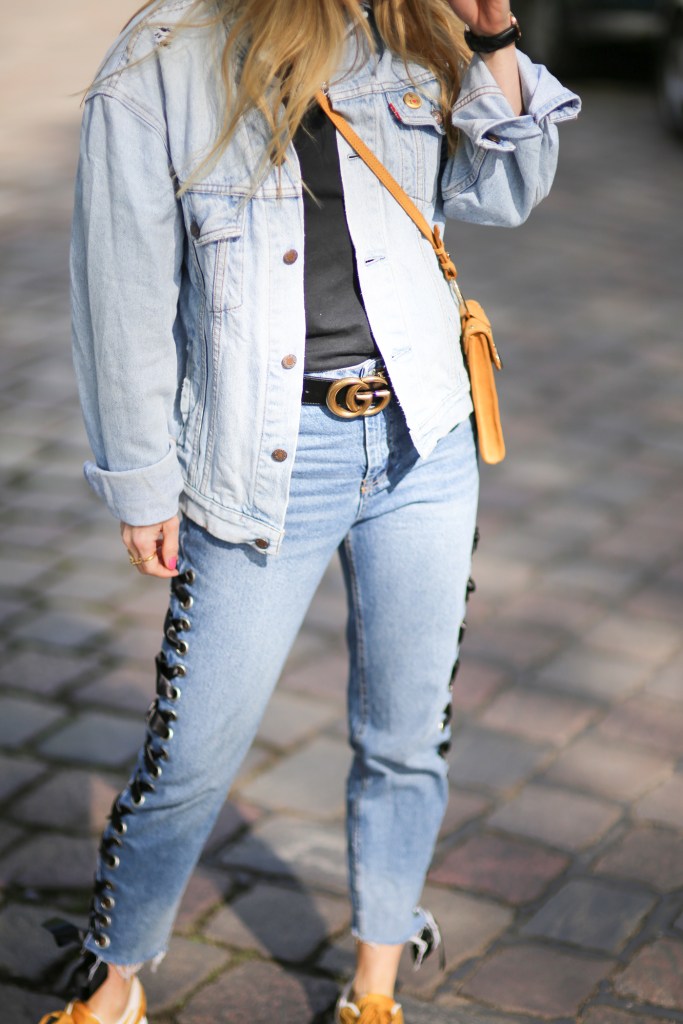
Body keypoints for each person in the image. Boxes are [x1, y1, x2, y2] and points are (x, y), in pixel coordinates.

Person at [39, 1, 579, 1022]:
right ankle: (115, 976)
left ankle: (375, 982)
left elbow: (507, 189)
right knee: (194, 751)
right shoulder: (162, 60)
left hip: (422, 439)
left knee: (407, 732)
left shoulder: (404, 26)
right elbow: (120, 291)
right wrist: (142, 480)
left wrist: (494, 34)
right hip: (260, 458)